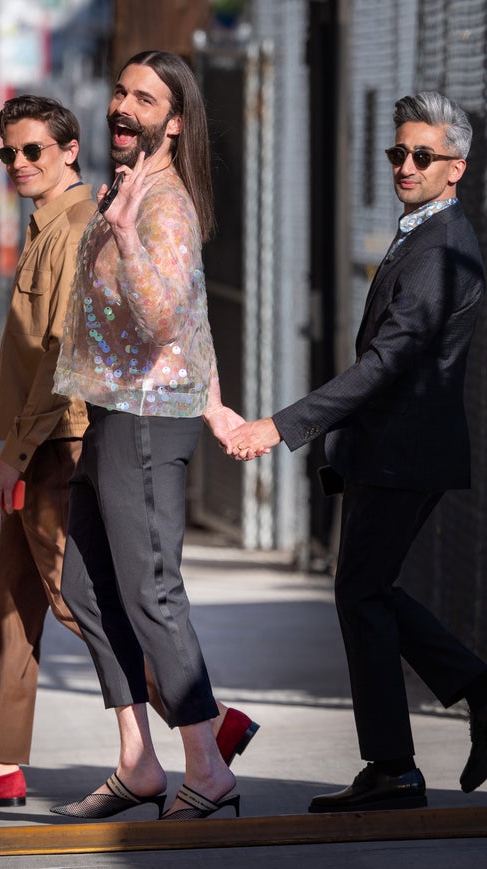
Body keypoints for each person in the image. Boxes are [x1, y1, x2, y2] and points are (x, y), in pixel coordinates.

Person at [0, 94, 257, 811]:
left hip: (58, 439)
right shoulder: (45, 223)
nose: (17, 164)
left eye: (32, 150)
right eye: (8, 153)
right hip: (34, 438)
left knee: (84, 596)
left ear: (69, 149)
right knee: (12, 597)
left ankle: (206, 722)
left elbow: (61, 357)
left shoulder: (77, 226)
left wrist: (15, 453)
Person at [225, 91, 487, 812]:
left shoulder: (441, 251)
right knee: (365, 590)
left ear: (455, 168)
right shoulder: (423, 232)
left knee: (361, 591)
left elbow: (386, 362)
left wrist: (283, 425)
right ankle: (444, 716)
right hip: (392, 447)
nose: (405, 164)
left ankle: (398, 765)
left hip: (406, 449)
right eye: (397, 152)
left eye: (422, 156)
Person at [48, 51, 246, 822]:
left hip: (144, 418)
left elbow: (166, 319)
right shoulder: (132, 193)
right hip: (111, 412)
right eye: (121, 93)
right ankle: (137, 759)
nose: (124, 107)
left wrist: (125, 234)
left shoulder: (161, 207)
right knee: (84, 586)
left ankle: (208, 766)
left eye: (145, 99)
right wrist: (219, 403)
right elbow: (193, 320)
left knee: (150, 590)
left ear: (175, 120)